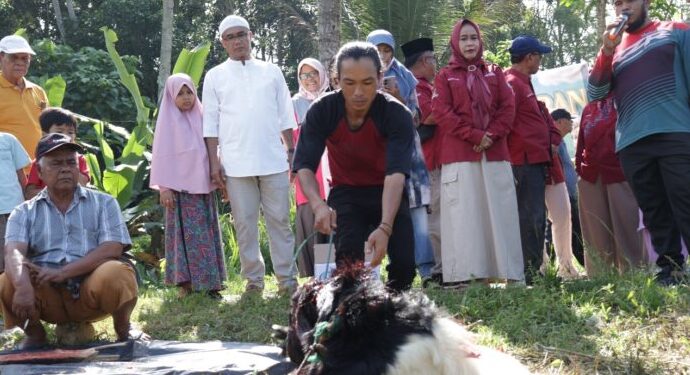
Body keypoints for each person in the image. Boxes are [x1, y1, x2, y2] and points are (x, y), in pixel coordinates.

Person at [293, 41, 416, 291]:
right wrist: (318, 206)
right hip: (346, 193)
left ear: (380, 78)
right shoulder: (321, 111)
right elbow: (304, 165)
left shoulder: (397, 114)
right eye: (350, 83)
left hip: (387, 189)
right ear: (337, 80)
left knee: (404, 266)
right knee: (348, 264)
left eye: (367, 82)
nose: (358, 92)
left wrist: (385, 227)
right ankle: (351, 308)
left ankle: (392, 311)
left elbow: (395, 175)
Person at [1, 133, 138, 349]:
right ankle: (35, 336)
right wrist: (23, 286)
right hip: (47, 295)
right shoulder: (23, 212)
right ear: (39, 171)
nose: (65, 169)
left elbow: (112, 247)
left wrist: (65, 271)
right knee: (7, 281)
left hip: (90, 291)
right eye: (56, 163)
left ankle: (124, 329)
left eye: (70, 162)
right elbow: (13, 253)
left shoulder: (104, 203)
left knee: (117, 272)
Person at [588, 0, 690, 285]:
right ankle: (671, 269)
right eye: (617, 2)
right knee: (654, 209)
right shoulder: (613, 49)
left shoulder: (676, 31)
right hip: (632, 141)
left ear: (645, 2)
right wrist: (606, 52)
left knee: (685, 199)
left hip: (675, 131)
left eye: (628, 0)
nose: (623, 6)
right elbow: (595, 94)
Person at [203, 15, 297, 295]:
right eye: (230, 37)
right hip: (235, 162)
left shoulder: (272, 70)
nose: (237, 41)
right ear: (223, 43)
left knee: (280, 220)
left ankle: (287, 280)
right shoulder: (215, 75)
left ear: (251, 35)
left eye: (241, 34)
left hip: (273, 159)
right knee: (244, 224)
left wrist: (291, 151)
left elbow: (285, 114)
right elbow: (210, 123)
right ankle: (254, 281)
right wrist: (214, 161)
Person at [432, 19, 524, 284]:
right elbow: (442, 113)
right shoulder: (444, 76)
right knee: (465, 217)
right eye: (464, 38)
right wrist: (474, 135)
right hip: (460, 156)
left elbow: (508, 108)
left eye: (473, 38)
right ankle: (469, 279)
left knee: (499, 214)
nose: (469, 43)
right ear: (455, 43)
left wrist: (490, 136)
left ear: (480, 41)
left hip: (495, 154)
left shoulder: (495, 72)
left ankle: (505, 276)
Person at [151, 73, 227, 299]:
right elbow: (161, 156)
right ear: (171, 96)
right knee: (182, 238)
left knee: (205, 235)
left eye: (189, 92)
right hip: (178, 193)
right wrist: (164, 187)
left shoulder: (203, 117)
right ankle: (186, 284)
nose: (186, 98)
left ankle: (211, 284)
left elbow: (214, 150)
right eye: (180, 93)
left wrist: (221, 181)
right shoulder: (166, 123)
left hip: (203, 189)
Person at [367, 30, 434, 281]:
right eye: (378, 49)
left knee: (417, 215)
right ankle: (371, 274)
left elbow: (416, 118)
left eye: (387, 50)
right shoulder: (360, 73)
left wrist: (397, 98)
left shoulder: (406, 76)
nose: (382, 55)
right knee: (376, 211)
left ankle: (426, 271)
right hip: (375, 157)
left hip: (409, 157)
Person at [505, 35, 562, 283]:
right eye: (538, 56)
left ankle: (535, 272)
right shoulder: (511, 83)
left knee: (536, 216)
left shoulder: (524, 82)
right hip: (523, 161)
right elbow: (505, 122)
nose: (540, 60)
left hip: (536, 159)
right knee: (530, 217)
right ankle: (529, 274)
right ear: (529, 57)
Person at [575, 95, 646, 276]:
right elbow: (581, 143)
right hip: (590, 175)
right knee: (595, 231)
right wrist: (580, 170)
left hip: (619, 172)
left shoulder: (626, 101)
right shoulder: (589, 109)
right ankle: (600, 274)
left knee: (627, 225)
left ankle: (635, 272)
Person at [402, 37, 444, 284]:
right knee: (432, 216)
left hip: (435, 158)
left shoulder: (428, 85)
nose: (435, 64)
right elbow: (429, 116)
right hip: (426, 161)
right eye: (433, 59)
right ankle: (434, 269)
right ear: (423, 61)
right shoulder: (417, 87)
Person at [292, 58, 330, 277]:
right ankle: (316, 276)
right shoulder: (294, 104)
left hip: (334, 171)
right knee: (311, 219)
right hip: (309, 171)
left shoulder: (333, 99)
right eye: (305, 75)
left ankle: (333, 273)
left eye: (314, 73)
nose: (310, 79)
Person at [25, 108, 90, 199]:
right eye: (59, 132)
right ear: (45, 135)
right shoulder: (39, 162)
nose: (65, 136)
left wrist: (72, 164)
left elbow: (82, 185)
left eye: (70, 132)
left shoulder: (80, 160)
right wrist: (55, 194)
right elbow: (30, 193)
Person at [0, 35, 47, 160]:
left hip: (38, 169)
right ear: (1, 56)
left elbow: (48, 129)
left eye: (25, 58)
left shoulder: (38, 91)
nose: (20, 62)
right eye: (14, 57)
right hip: (6, 170)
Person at [543, 121, 579, 279]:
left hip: (553, 171)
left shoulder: (542, 108)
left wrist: (552, 142)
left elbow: (555, 132)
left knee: (563, 217)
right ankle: (541, 267)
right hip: (526, 166)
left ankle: (566, 266)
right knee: (535, 221)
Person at [551, 108, 585, 267]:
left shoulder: (562, 141)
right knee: (572, 231)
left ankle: (574, 265)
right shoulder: (554, 141)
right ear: (559, 122)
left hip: (569, 193)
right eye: (569, 120)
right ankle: (579, 265)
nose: (572, 123)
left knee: (574, 230)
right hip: (562, 193)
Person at [0, 131, 30, 273]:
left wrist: (29, 201)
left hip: (15, 209)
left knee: (18, 257)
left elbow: (21, 175)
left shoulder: (8, 139)